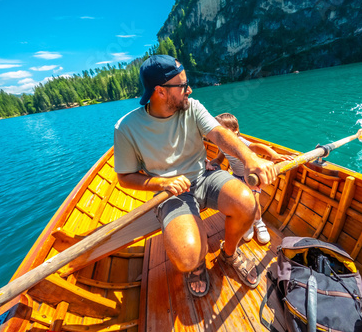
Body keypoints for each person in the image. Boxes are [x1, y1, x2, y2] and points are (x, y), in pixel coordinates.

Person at [113, 55, 277, 298]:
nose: (189, 89)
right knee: (187, 257)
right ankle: (197, 265)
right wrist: (162, 182)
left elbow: (219, 134)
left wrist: (249, 158)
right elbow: (125, 177)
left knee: (248, 204)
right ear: (160, 91)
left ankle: (229, 254)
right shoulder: (126, 128)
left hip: (205, 177)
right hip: (171, 193)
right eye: (182, 85)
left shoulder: (192, 107)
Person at [207, 113, 293, 244]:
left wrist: (273, 154)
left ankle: (259, 224)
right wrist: (210, 163)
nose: (220, 134)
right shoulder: (222, 144)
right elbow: (219, 159)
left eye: (223, 130)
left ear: (235, 130)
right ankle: (246, 223)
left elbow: (255, 146)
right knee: (240, 203)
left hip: (252, 179)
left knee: (254, 203)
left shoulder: (239, 142)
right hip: (236, 178)